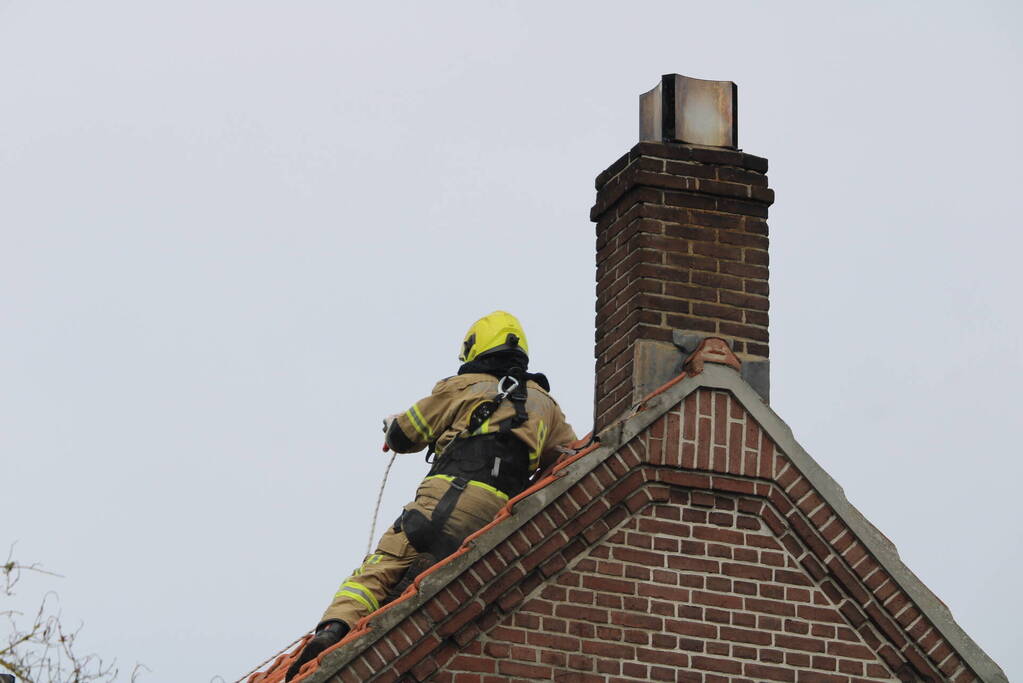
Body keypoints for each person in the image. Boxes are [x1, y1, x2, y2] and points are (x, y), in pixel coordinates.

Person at [286, 311, 576, 681]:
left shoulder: (462, 386)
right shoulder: (545, 404)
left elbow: (407, 433)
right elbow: (566, 455)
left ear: (476, 347)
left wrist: (392, 428)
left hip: (445, 498)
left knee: (381, 567)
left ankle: (333, 632)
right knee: (437, 586)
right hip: (499, 516)